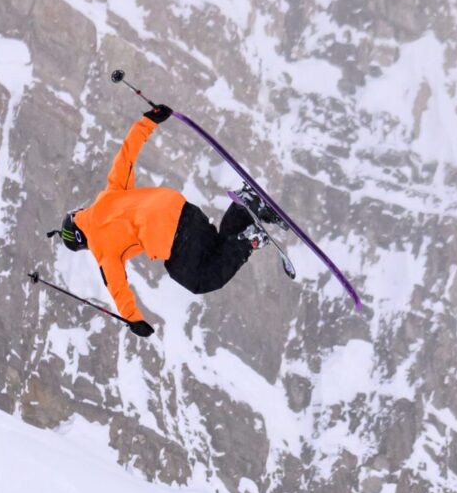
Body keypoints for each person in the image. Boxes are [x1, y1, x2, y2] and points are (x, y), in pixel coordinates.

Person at [47, 104, 285, 337]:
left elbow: (117, 287)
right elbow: (125, 156)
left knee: (199, 281)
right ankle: (246, 206)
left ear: (82, 242)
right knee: (217, 248)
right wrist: (148, 121)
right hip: (183, 209)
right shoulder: (109, 195)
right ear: (78, 214)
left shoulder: (102, 250)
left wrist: (134, 319)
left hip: (171, 237)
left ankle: (250, 240)